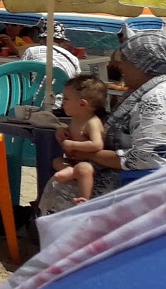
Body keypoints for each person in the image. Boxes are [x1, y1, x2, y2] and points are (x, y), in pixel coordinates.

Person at [39, 34, 166, 214]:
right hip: (128, 177)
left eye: (126, 61)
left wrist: (88, 153)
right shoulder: (147, 91)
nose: (121, 67)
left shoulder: (157, 98)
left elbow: (147, 157)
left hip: (137, 188)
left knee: (66, 183)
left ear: (142, 64)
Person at [49, 75, 109, 203]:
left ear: (82, 104)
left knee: (83, 170)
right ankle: (72, 171)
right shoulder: (76, 118)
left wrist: (72, 144)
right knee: (56, 161)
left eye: (66, 99)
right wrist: (63, 131)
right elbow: (71, 131)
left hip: (93, 164)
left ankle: (83, 199)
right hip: (75, 160)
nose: (62, 102)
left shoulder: (92, 122)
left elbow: (97, 144)